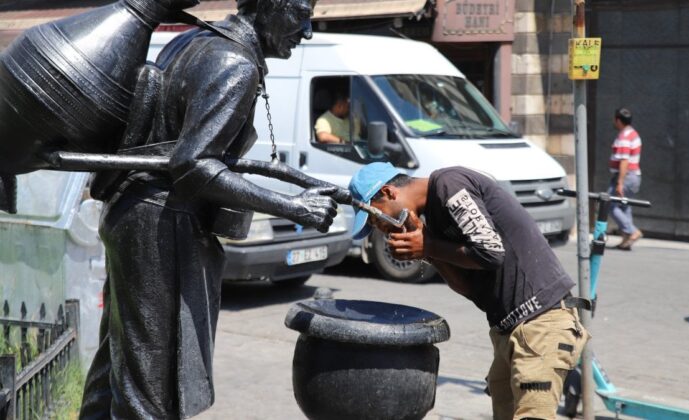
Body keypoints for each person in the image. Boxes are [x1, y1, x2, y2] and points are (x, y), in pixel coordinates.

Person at [79, 0, 339, 418]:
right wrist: (293, 207)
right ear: (268, 7)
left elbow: (181, 149)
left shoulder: (193, 42)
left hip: (134, 213)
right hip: (163, 225)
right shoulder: (235, 65)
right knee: (153, 389)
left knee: (120, 367)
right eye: (300, 14)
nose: (306, 31)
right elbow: (193, 165)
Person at [348, 162, 590, 420]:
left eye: (375, 216)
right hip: (510, 330)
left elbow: (491, 253)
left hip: (542, 321)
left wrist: (429, 245)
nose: (379, 226)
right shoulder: (436, 218)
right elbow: (468, 287)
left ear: (388, 192)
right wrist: (426, 246)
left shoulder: (448, 184)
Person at [608, 107, 643, 250]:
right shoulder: (633, 134)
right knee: (624, 205)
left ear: (618, 120)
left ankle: (632, 231)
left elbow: (624, 161)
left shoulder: (624, 137)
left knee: (610, 203)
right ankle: (626, 239)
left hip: (626, 176)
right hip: (633, 176)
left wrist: (620, 183)